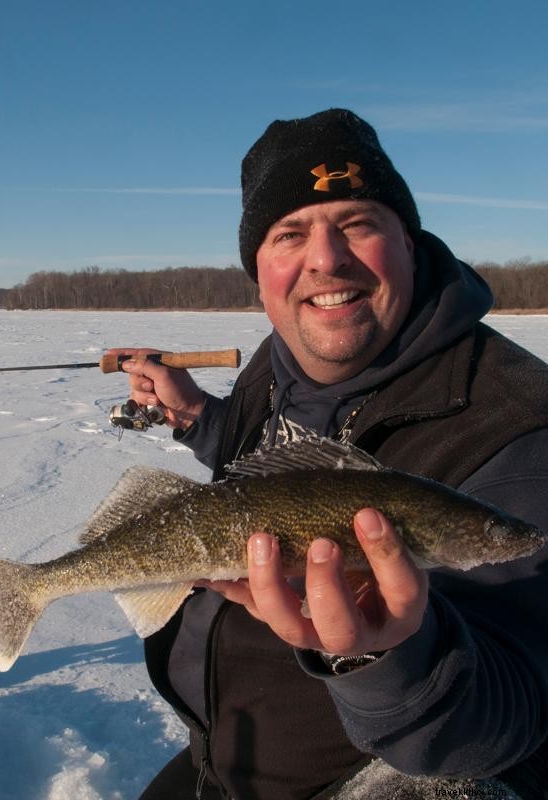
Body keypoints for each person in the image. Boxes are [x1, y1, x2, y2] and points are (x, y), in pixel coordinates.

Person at [108, 109, 548, 800]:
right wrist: (198, 417)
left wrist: (388, 657)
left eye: (357, 223)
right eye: (290, 235)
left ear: (407, 240)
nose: (326, 259)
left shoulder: (522, 428)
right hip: (221, 760)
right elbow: (263, 468)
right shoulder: (282, 360)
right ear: (260, 270)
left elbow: (514, 722)